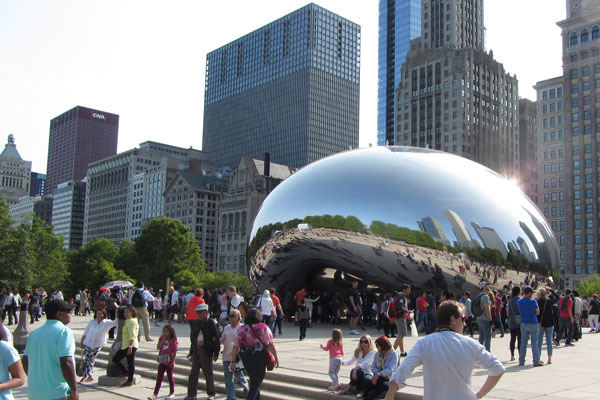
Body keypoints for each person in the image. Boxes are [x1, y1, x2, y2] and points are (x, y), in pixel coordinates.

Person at [384, 301, 505, 400]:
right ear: (453, 319)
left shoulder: (425, 343)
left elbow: (400, 374)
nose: (464, 324)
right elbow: (497, 368)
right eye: (462, 319)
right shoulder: (470, 344)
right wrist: (478, 395)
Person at [22, 299, 79, 400]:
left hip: (35, 392)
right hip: (56, 392)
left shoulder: (34, 333)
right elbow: (66, 362)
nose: (70, 315)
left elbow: (25, 361)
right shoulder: (63, 332)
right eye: (68, 312)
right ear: (59, 314)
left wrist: (37, 378)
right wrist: (74, 389)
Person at [230, 308, 279, 400]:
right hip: (260, 357)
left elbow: (236, 346)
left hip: (246, 358)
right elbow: (270, 343)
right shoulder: (263, 327)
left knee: (253, 381)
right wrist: (276, 356)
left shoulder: (242, 329)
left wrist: (233, 361)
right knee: (257, 383)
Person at [185, 303, 220, 400]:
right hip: (197, 349)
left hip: (206, 350)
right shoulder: (196, 322)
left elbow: (216, 339)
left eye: (200, 312)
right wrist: (191, 351)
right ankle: (191, 394)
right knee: (193, 373)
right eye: (197, 312)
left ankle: (211, 393)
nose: (198, 314)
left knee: (208, 373)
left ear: (206, 312)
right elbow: (193, 337)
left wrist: (216, 353)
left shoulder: (212, 322)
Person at [80, 309, 117, 383]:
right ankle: (89, 375)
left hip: (97, 344)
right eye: (97, 314)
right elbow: (86, 332)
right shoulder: (92, 322)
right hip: (88, 342)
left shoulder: (106, 323)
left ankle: (85, 376)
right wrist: (82, 341)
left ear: (103, 314)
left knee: (90, 359)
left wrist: (117, 312)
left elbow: (115, 322)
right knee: (88, 359)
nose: (99, 315)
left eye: (101, 314)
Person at [221, 309, 248, 399]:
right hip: (226, 355)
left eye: (233, 316)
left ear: (238, 317)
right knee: (228, 378)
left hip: (237, 357)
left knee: (239, 375)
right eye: (229, 316)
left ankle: (247, 389)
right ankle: (231, 396)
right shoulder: (226, 327)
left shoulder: (242, 327)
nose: (230, 318)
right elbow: (222, 339)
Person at [360, 336, 398, 400]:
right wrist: (378, 374)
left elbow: (391, 369)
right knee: (376, 380)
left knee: (382, 384)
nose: (376, 347)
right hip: (379, 377)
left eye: (377, 345)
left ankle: (367, 396)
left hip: (391, 379)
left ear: (383, 345)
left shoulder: (393, 354)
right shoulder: (377, 354)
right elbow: (373, 367)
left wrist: (379, 374)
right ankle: (366, 395)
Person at [112, 306, 139, 387]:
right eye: (125, 312)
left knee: (130, 363)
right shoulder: (129, 321)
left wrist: (130, 346)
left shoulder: (131, 322)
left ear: (132, 312)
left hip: (130, 345)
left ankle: (129, 380)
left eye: (128, 312)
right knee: (116, 359)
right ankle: (126, 372)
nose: (126, 314)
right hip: (126, 345)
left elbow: (132, 335)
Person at [149, 324, 178, 400]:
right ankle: (155, 394)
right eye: (163, 331)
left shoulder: (173, 340)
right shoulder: (162, 338)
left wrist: (172, 361)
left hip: (169, 361)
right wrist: (162, 340)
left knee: (170, 377)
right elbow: (158, 347)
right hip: (162, 360)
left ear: (171, 332)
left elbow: (175, 351)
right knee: (159, 377)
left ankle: (172, 392)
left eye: (166, 331)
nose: (164, 333)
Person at [517, 287, 542, 367]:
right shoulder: (533, 301)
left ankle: (521, 360)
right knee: (534, 342)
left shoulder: (519, 301)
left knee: (523, 342)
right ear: (529, 293)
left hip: (523, 322)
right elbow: (538, 312)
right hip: (533, 322)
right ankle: (536, 361)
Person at [536, 288, 556, 365]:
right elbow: (558, 298)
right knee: (549, 341)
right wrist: (551, 290)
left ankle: (538, 358)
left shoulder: (537, 302)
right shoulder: (549, 302)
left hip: (540, 323)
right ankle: (549, 358)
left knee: (539, 342)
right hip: (549, 323)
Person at [391, 284, 410, 357]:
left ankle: (402, 352)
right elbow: (399, 306)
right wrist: (406, 311)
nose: (409, 291)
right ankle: (392, 352)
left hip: (399, 317)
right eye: (408, 289)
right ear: (404, 290)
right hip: (400, 317)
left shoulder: (398, 296)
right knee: (402, 334)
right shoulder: (401, 297)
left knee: (400, 334)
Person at [476, 281, 493, 352]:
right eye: (487, 286)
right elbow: (487, 310)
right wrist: (491, 321)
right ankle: (488, 353)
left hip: (479, 318)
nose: (488, 287)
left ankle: (480, 353)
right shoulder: (486, 297)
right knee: (488, 337)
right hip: (485, 319)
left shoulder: (479, 296)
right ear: (484, 287)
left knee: (481, 337)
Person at [507, 286, 522, 362]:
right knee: (520, 339)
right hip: (519, 321)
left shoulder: (510, 299)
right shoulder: (518, 299)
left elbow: (508, 310)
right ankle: (520, 355)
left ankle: (512, 355)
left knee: (512, 339)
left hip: (511, 320)